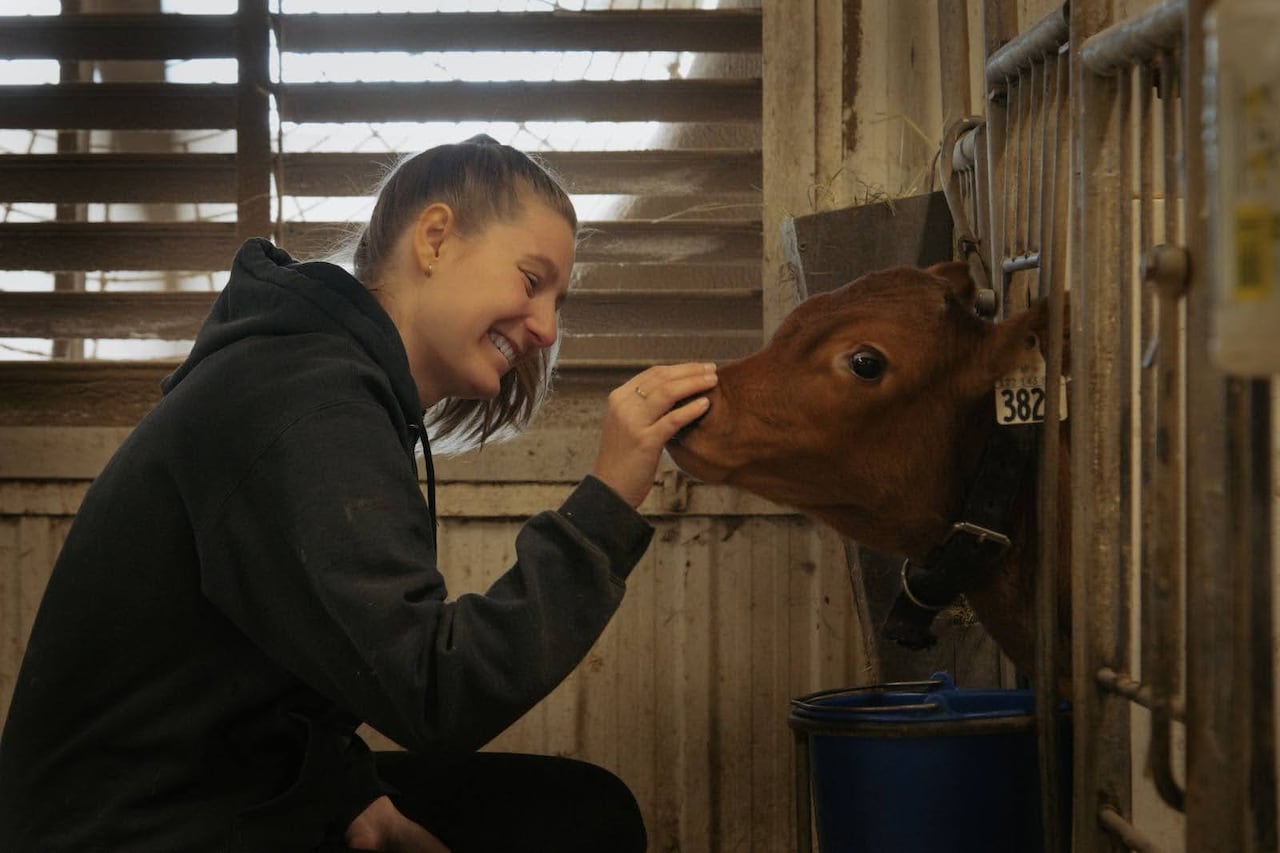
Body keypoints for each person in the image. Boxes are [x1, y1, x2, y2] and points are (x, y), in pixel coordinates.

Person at [0, 134, 717, 852]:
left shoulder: (308, 377)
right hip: (136, 828)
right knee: (582, 824)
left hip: (221, 794)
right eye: (532, 281)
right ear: (434, 238)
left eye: (558, 300)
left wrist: (348, 794)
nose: (546, 327)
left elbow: (258, 666)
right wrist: (609, 502)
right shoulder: (310, 406)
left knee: (580, 807)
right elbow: (436, 690)